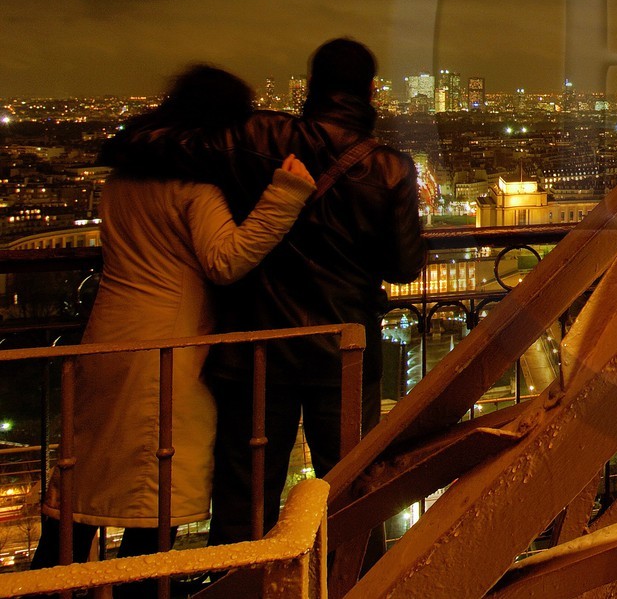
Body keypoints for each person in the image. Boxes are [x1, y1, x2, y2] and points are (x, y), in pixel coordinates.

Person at [107, 38, 424, 546]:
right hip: (341, 349)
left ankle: (241, 584)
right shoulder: (388, 168)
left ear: (311, 86)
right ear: (371, 91)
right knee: (350, 498)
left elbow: (146, 147)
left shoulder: (256, 136)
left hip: (257, 346)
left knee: (245, 503)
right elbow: (405, 267)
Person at [34, 66, 315, 585]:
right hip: (165, 345)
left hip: (107, 335)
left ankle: (46, 586)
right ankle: (138, 590)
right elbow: (225, 260)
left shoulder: (124, 179)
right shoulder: (193, 186)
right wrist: (285, 195)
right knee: (151, 496)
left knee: (83, 480)